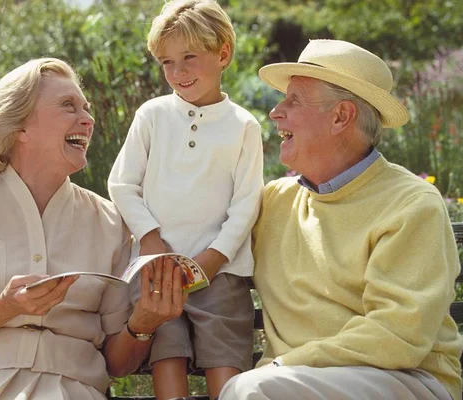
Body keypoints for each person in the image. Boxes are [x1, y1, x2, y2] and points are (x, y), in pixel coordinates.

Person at [0, 57, 186, 400]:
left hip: (73, 390)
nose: (88, 119)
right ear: (20, 126)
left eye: (86, 107)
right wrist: (6, 306)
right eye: (68, 105)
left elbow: (115, 362)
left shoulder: (110, 222)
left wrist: (143, 325)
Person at [219, 39, 463, 400]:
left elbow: (398, 336)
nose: (275, 112)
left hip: (406, 379)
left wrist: (284, 366)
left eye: (294, 100)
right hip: (290, 383)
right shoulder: (273, 203)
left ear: (340, 117)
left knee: (252, 391)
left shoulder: (412, 204)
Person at [107, 0, 264, 398]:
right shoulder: (152, 116)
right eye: (167, 62)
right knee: (166, 349)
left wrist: (214, 259)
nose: (178, 72)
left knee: (224, 355)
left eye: (190, 57)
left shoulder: (244, 126)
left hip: (221, 273)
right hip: (157, 270)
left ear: (223, 53)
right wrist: (150, 240)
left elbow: (246, 204)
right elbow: (122, 185)